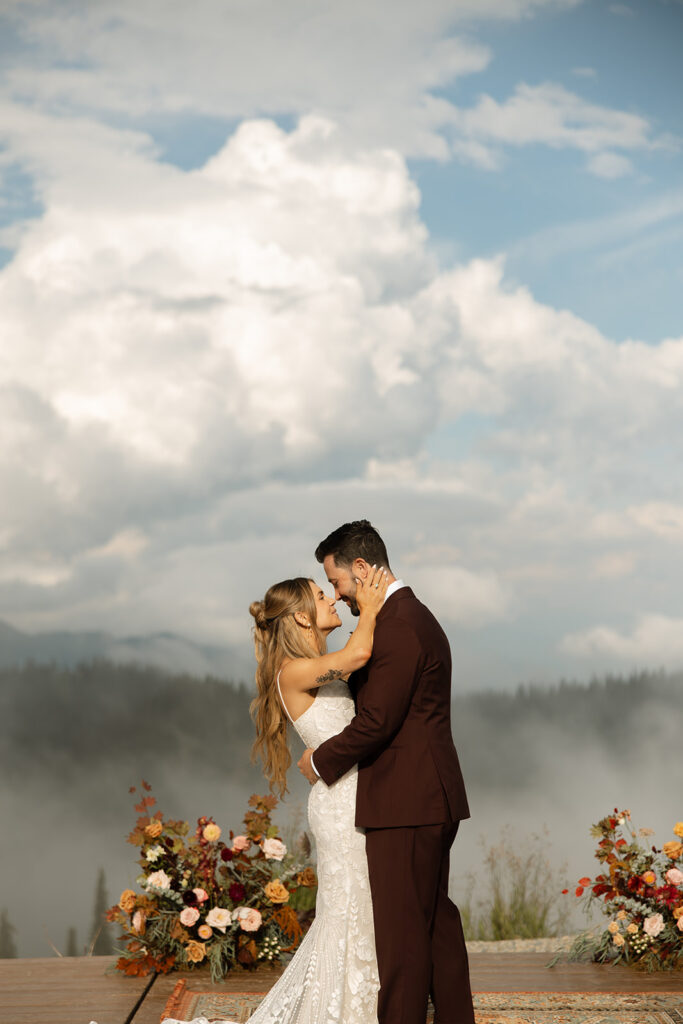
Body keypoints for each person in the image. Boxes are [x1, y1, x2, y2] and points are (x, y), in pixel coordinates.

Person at [162, 566, 389, 1024]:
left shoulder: (313, 665)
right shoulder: (294, 671)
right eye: (321, 596)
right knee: (347, 911)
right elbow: (360, 653)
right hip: (341, 805)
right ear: (302, 617)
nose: (331, 599)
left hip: (353, 796)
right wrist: (370, 606)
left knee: (361, 909)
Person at [298, 520, 475, 1024]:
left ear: (361, 567)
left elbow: (377, 721)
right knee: (434, 923)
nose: (337, 594)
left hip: (406, 801)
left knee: (401, 939)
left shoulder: (398, 625)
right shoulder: (406, 616)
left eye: (336, 582)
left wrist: (319, 761)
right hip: (426, 796)